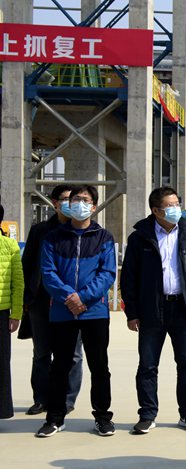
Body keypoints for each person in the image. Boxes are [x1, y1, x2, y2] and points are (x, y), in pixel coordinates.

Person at [121, 186, 186, 435]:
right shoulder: (140, 237)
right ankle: (147, 414)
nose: (175, 209)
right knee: (148, 365)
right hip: (152, 309)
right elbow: (129, 277)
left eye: (177, 204)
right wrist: (132, 312)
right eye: (169, 206)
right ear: (156, 210)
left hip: (184, 308)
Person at [36, 185, 116, 437]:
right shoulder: (53, 238)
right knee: (60, 365)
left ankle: (102, 416)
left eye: (85, 200)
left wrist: (83, 297)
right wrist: (68, 297)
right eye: (75, 200)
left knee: (99, 365)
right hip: (62, 311)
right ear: (68, 205)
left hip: (94, 311)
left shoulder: (104, 237)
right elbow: (48, 273)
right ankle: (55, 417)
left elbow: (107, 273)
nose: (79, 204)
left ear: (94, 206)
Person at [20, 184, 84, 416]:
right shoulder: (40, 231)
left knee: (73, 354)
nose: (71, 204)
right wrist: (26, 299)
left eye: (74, 199)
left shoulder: (83, 230)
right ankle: (41, 398)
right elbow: (28, 264)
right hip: (41, 302)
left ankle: (67, 399)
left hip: (71, 302)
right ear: (55, 203)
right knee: (41, 353)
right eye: (66, 199)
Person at [0, 203, 24, 420]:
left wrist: (16, 314)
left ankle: (2, 409)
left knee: (1, 364)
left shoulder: (9, 245)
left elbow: (18, 282)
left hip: (1, 313)